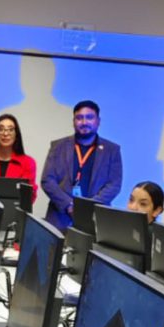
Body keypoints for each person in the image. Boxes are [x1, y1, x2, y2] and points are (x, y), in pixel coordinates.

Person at [40, 99, 123, 231]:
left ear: (98, 121)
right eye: (79, 118)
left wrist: (88, 208)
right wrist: (68, 205)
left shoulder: (112, 150)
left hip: (95, 220)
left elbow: (114, 185)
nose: (84, 122)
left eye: (89, 117)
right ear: (73, 121)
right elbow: (47, 180)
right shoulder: (58, 147)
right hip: (59, 217)